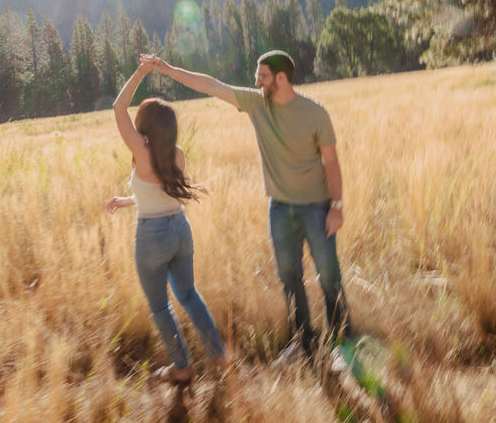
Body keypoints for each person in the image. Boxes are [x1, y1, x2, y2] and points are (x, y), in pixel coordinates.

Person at [140, 50, 353, 362]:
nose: (256, 81)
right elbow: (210, 85)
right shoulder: (257, 103)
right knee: (289, 277)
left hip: (316, 207)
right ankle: (305, 343)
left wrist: (336, 206)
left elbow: (331, 162)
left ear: (281, 78)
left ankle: (344, 347)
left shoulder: (314, 113)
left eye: (262, 76)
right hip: (280, 209)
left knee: (328, 277)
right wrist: (166, 69)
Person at [106, 62, 229, 386]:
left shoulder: (140, 150)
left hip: (152, 236)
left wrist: (140, 73)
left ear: (145, 126)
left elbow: (118, 107)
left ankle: (182, 367)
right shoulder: (177, 154)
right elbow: (162, 193)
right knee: (189, 295)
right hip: (179, 229)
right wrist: (127, 200)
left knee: (160, 306)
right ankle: (219, 354)